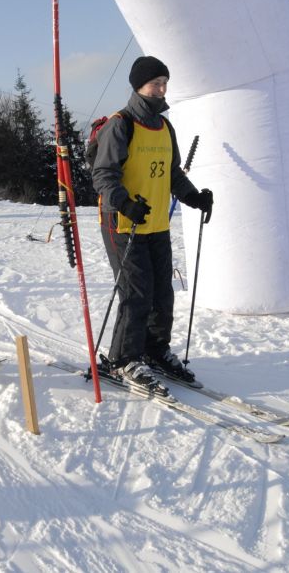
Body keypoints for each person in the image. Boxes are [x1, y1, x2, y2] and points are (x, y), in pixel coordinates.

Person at [91, 55, 214, 388]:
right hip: (123, 224)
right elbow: (102, 174)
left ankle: (154, 350)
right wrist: (124, 203)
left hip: (157, 224)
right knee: (136, 293)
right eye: (155, 83)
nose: (162, 89)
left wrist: (194, 197)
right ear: (139, 86)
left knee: (163, 295)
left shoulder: (164, 127)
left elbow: (172, 173)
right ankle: (122, 358)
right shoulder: (121, 124)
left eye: (164, 83)